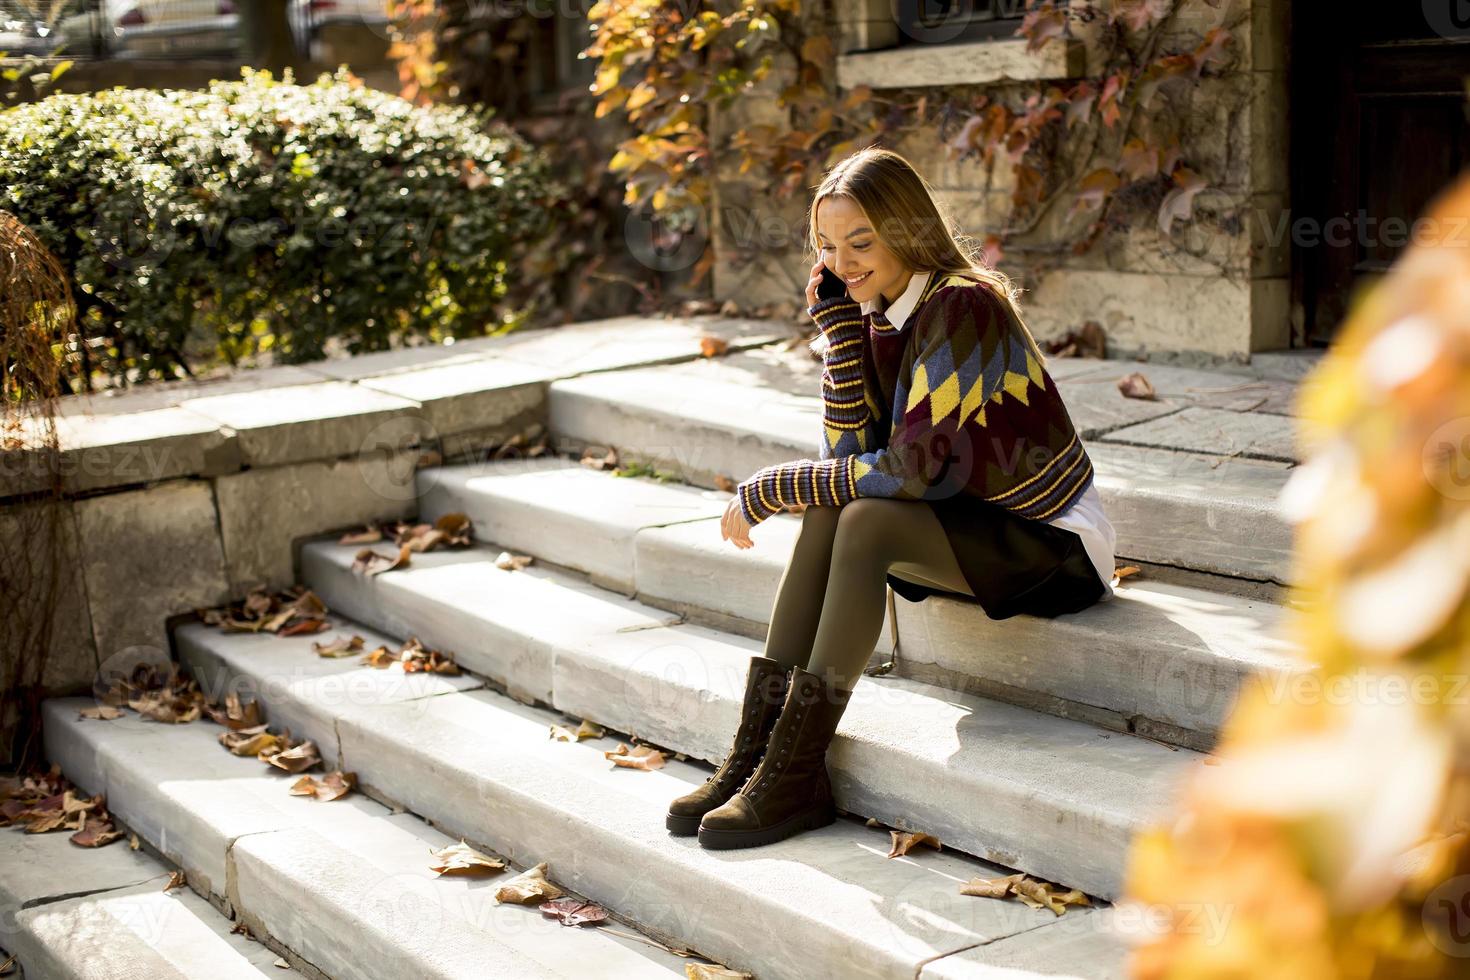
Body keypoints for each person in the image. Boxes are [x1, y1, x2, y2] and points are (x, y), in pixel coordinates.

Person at [665, 146, 1117, 850]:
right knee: (835, 504)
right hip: (968, 523)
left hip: (1048, 544)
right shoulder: (878, 314)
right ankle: (756, 757)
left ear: (904, 229)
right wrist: (842, 336)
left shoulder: (963, 307)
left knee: (867, 516)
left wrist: (770, 487)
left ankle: (795, 771)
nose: (843, 261)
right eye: (827, 246)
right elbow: (848, 463)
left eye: (861, 241)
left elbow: (906, 472)